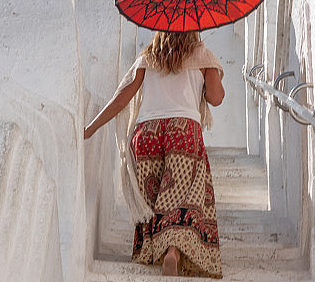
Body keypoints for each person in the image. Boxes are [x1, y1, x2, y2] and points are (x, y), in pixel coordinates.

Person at [84, 31, 225, 278]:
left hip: (148, 134)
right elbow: (216, 98)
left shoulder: (148, 58)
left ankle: (153, 250)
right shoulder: (203, 56)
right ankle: (173, 251)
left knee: (155, 198)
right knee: (182, 198)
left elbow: (121, 99)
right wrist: (205, 77)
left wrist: (89, 129)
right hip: (183, 131)